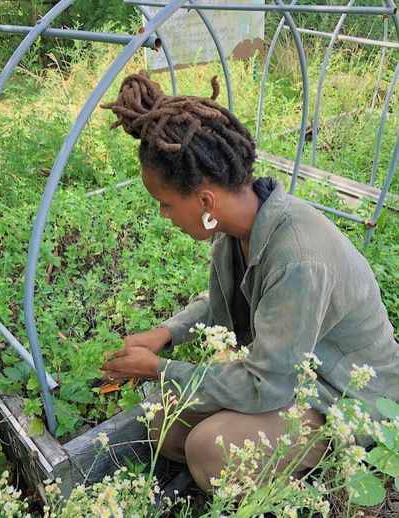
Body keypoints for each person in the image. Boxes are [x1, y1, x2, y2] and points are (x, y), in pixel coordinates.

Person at [100, 70, 399, 492]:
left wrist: (160, 369)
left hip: (342, 394)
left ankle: (327, 459)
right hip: (289, 372)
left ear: (205, 200)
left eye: (166, 204)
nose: (164, 216)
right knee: (164, 424)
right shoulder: (239, 226)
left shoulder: (299, 258)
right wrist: (166, 334)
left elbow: (267, 385)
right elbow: (220, 297)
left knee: (208, 450)